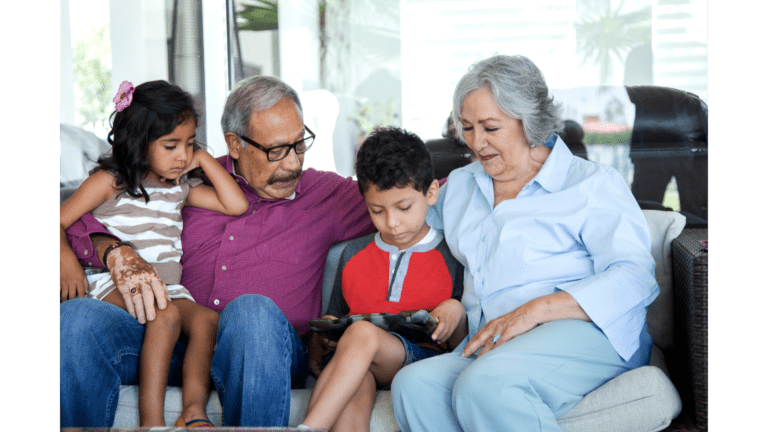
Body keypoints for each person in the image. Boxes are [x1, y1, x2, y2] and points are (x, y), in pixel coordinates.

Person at [60, 75, 376, 427]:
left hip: (262, 350)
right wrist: (110, 249)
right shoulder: (179, 177)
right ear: (235, 144)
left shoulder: (326, 195)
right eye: (275, 150)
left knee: (251, 312)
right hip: (166, 340)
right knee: (77, 317)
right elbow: (73, 216)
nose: (292, 164)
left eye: (299, 145)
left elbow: (410, 198)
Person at [390, 54, 660, 432]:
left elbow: (635, 277)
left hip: (587, 332)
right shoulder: (462, 187)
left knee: (486, 384)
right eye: (467, 128)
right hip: (495, 341)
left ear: (528, 122)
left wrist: (536, 310)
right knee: (414, 386)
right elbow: (402, 219)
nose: (476, 142)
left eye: (490, 127)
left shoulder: (590, 184)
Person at [60, 80, 247, 427]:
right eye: (171, 145)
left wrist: (202, 157)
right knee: (166, 317)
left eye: (189, 144)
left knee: (207, 321)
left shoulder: (178, 188)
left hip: (169, 290)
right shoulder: (110, 181)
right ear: (139, 142)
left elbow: (235, 204)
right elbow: (56, 219)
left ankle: (193, 413)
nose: (182, 156)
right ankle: (151, 422)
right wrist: (67, 262)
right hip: (111, 284)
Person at [299, 128, 466, 432]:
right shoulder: (352, 254)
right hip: (364, 361)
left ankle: (308, 428)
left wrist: (457, 309)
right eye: (377, 210)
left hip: (423, 358)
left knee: (361, 334)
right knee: (355, 379)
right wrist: (321, 334)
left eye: (404, 208)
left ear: (430, 193)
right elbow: (335, 315)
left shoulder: (451, 254)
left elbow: (460, 341)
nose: (392, 223)